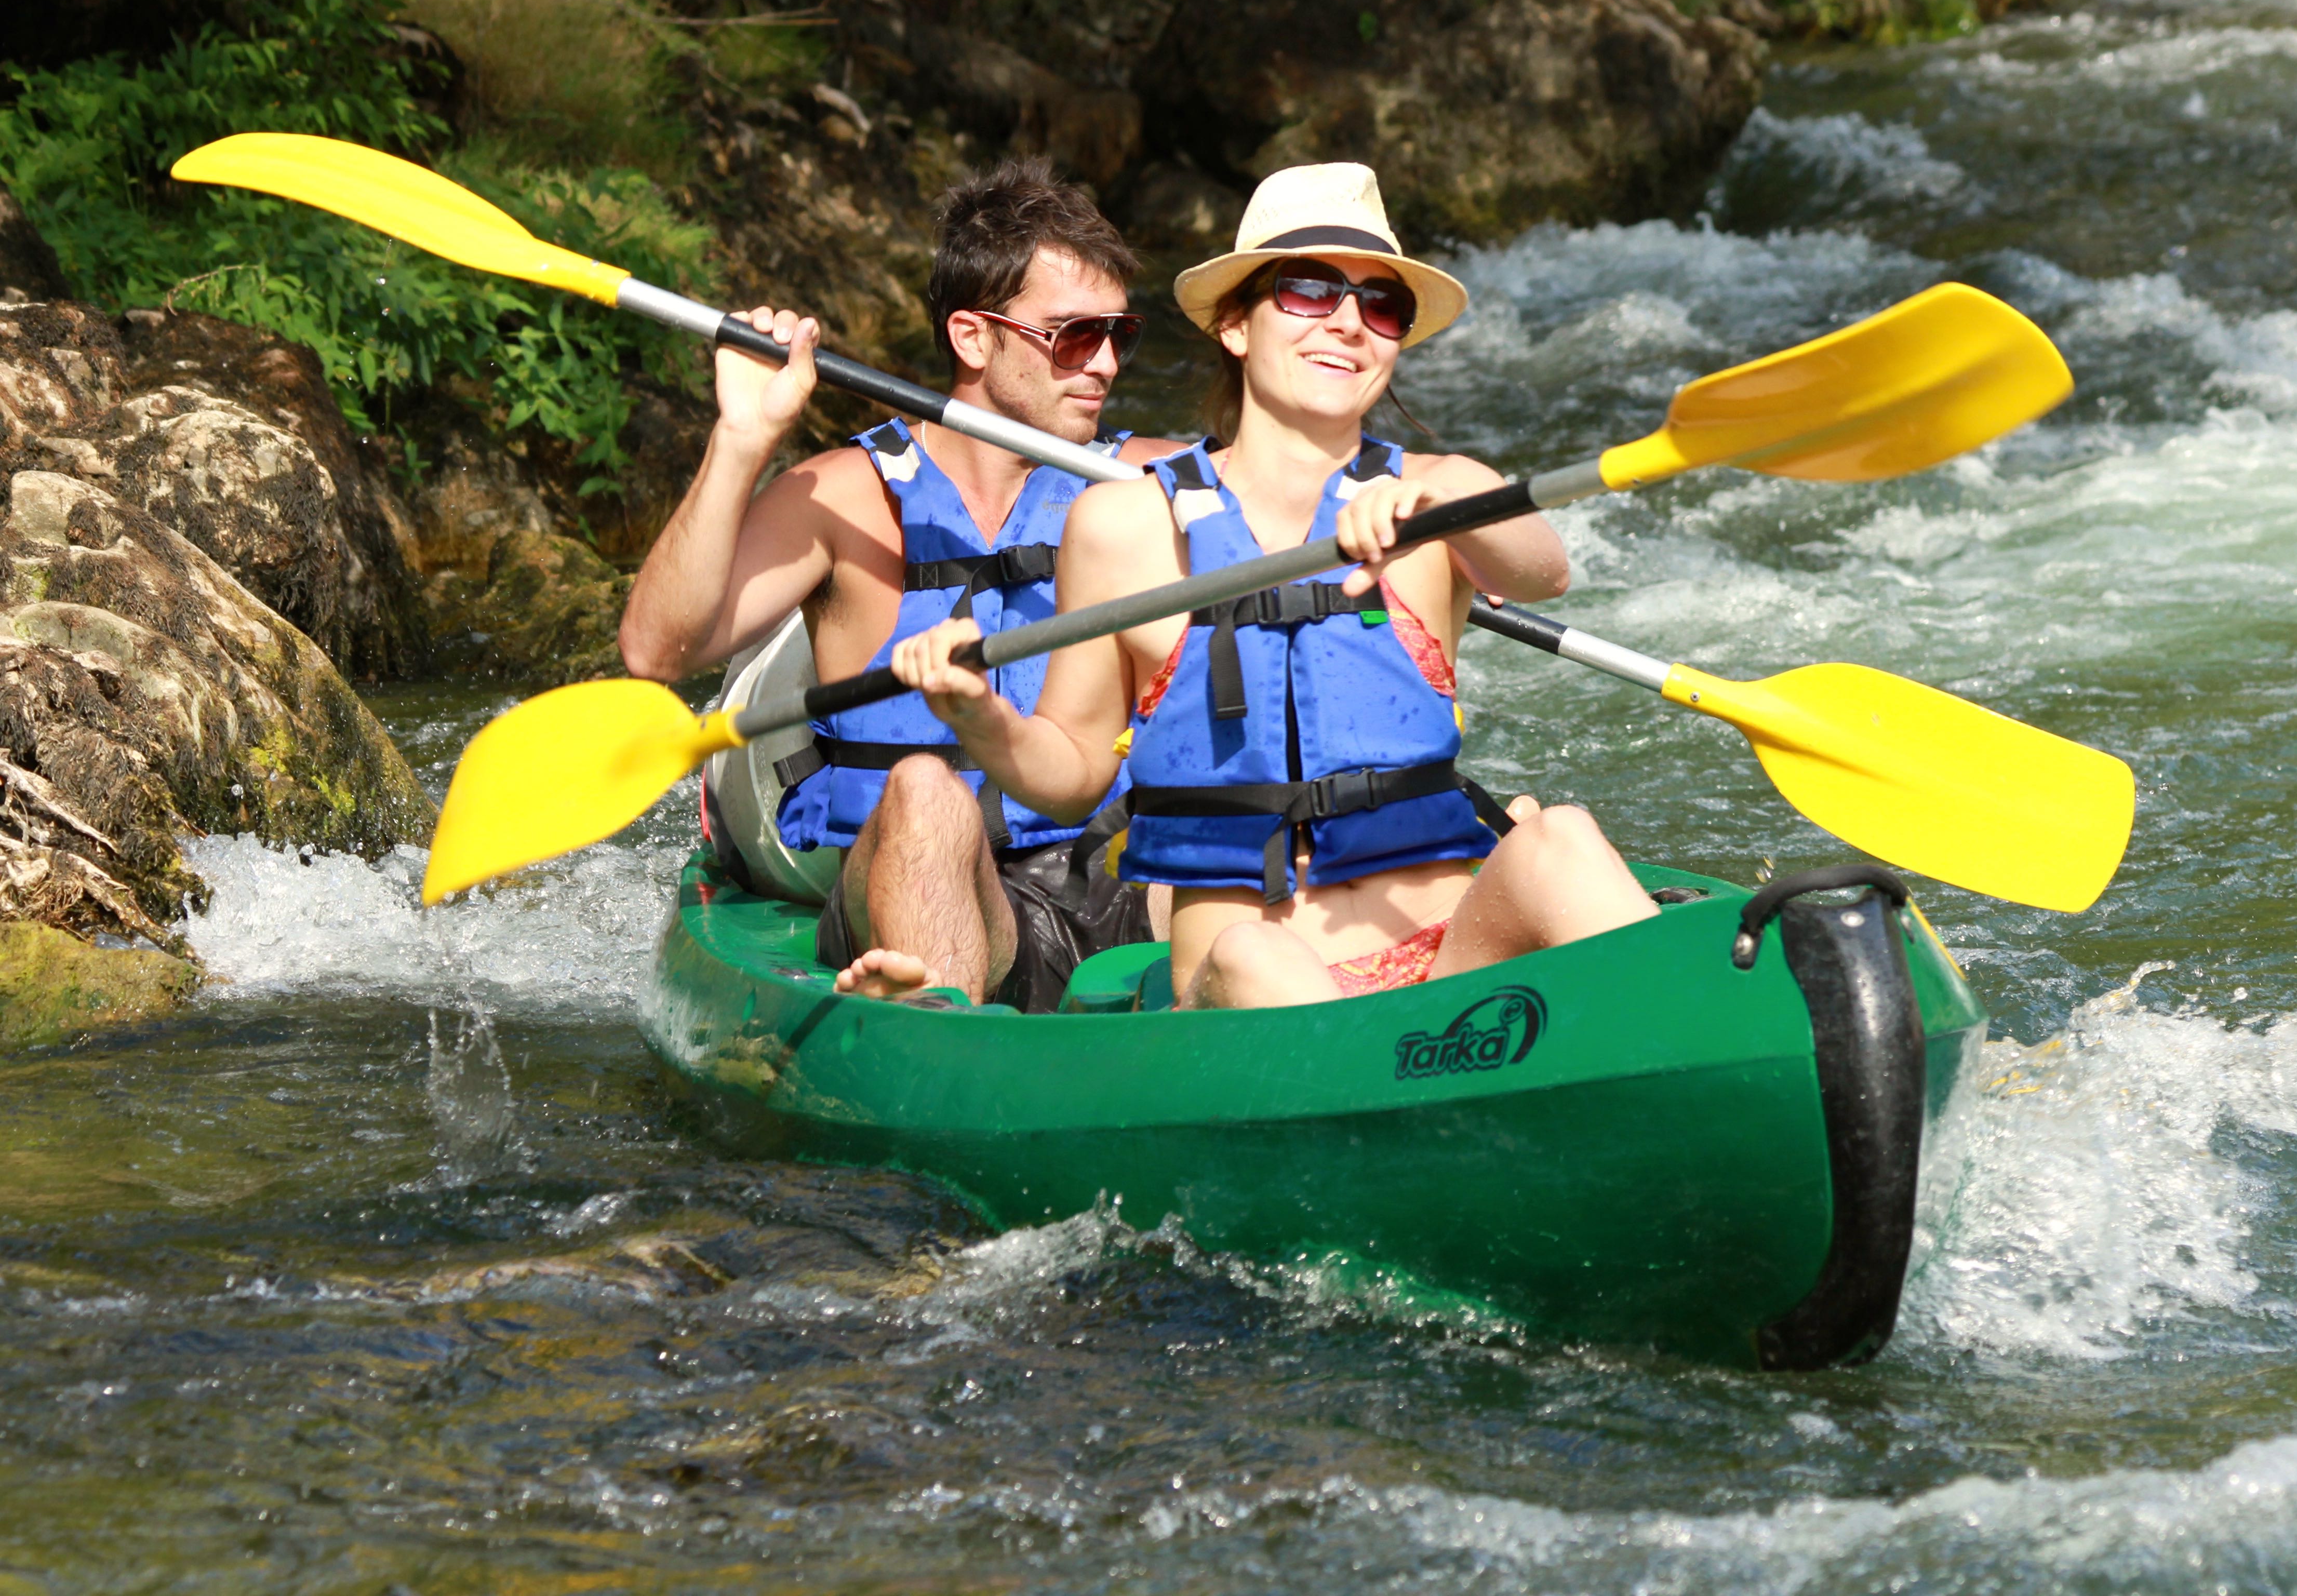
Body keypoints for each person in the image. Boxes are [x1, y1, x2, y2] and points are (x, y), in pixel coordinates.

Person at [886, 162, 1659, 1008]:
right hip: (1250, 976)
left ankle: (1727, 1060)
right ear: (1235, 326)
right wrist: (978, 715)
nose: (1348, 324)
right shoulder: (1125, 525)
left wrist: (1434, 502)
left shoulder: (1444, 492)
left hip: (1449, 955)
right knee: (1261, 955)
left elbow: (1543, 571)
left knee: (1565, 841)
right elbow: (1070, 770)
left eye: (1381, 304)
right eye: (1307, 292)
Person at [618, 158, 1181, 1008]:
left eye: (1119, 336)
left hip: (1108, 872)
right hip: (910, 883)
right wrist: (742, 436)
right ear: (973, 337)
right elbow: (658, 649)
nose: (1103, 364)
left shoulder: (1149, 487)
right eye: (1072, 337)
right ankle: (940, 1038)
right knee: (925, 788)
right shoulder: (846, 497)